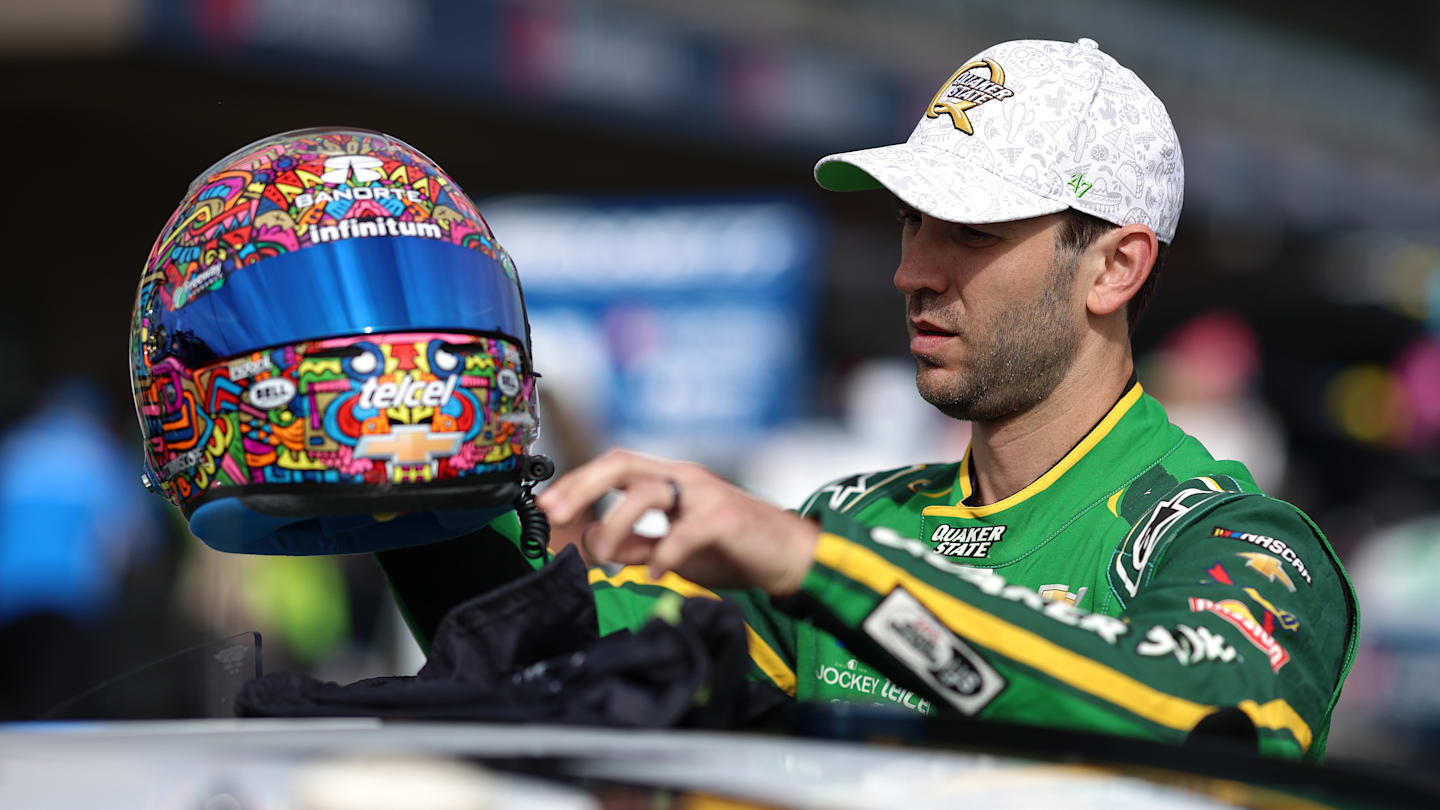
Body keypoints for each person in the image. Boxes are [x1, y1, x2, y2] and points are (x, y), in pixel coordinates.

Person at [524, 37, 1357, 761]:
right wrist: (471, 512)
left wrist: (821, 569)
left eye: (971, 232)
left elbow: (1198, 718)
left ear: (1114, 268)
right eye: (910, 222)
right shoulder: (855, 517)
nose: (911, 271)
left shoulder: (1238, 540)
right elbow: (563, 654)